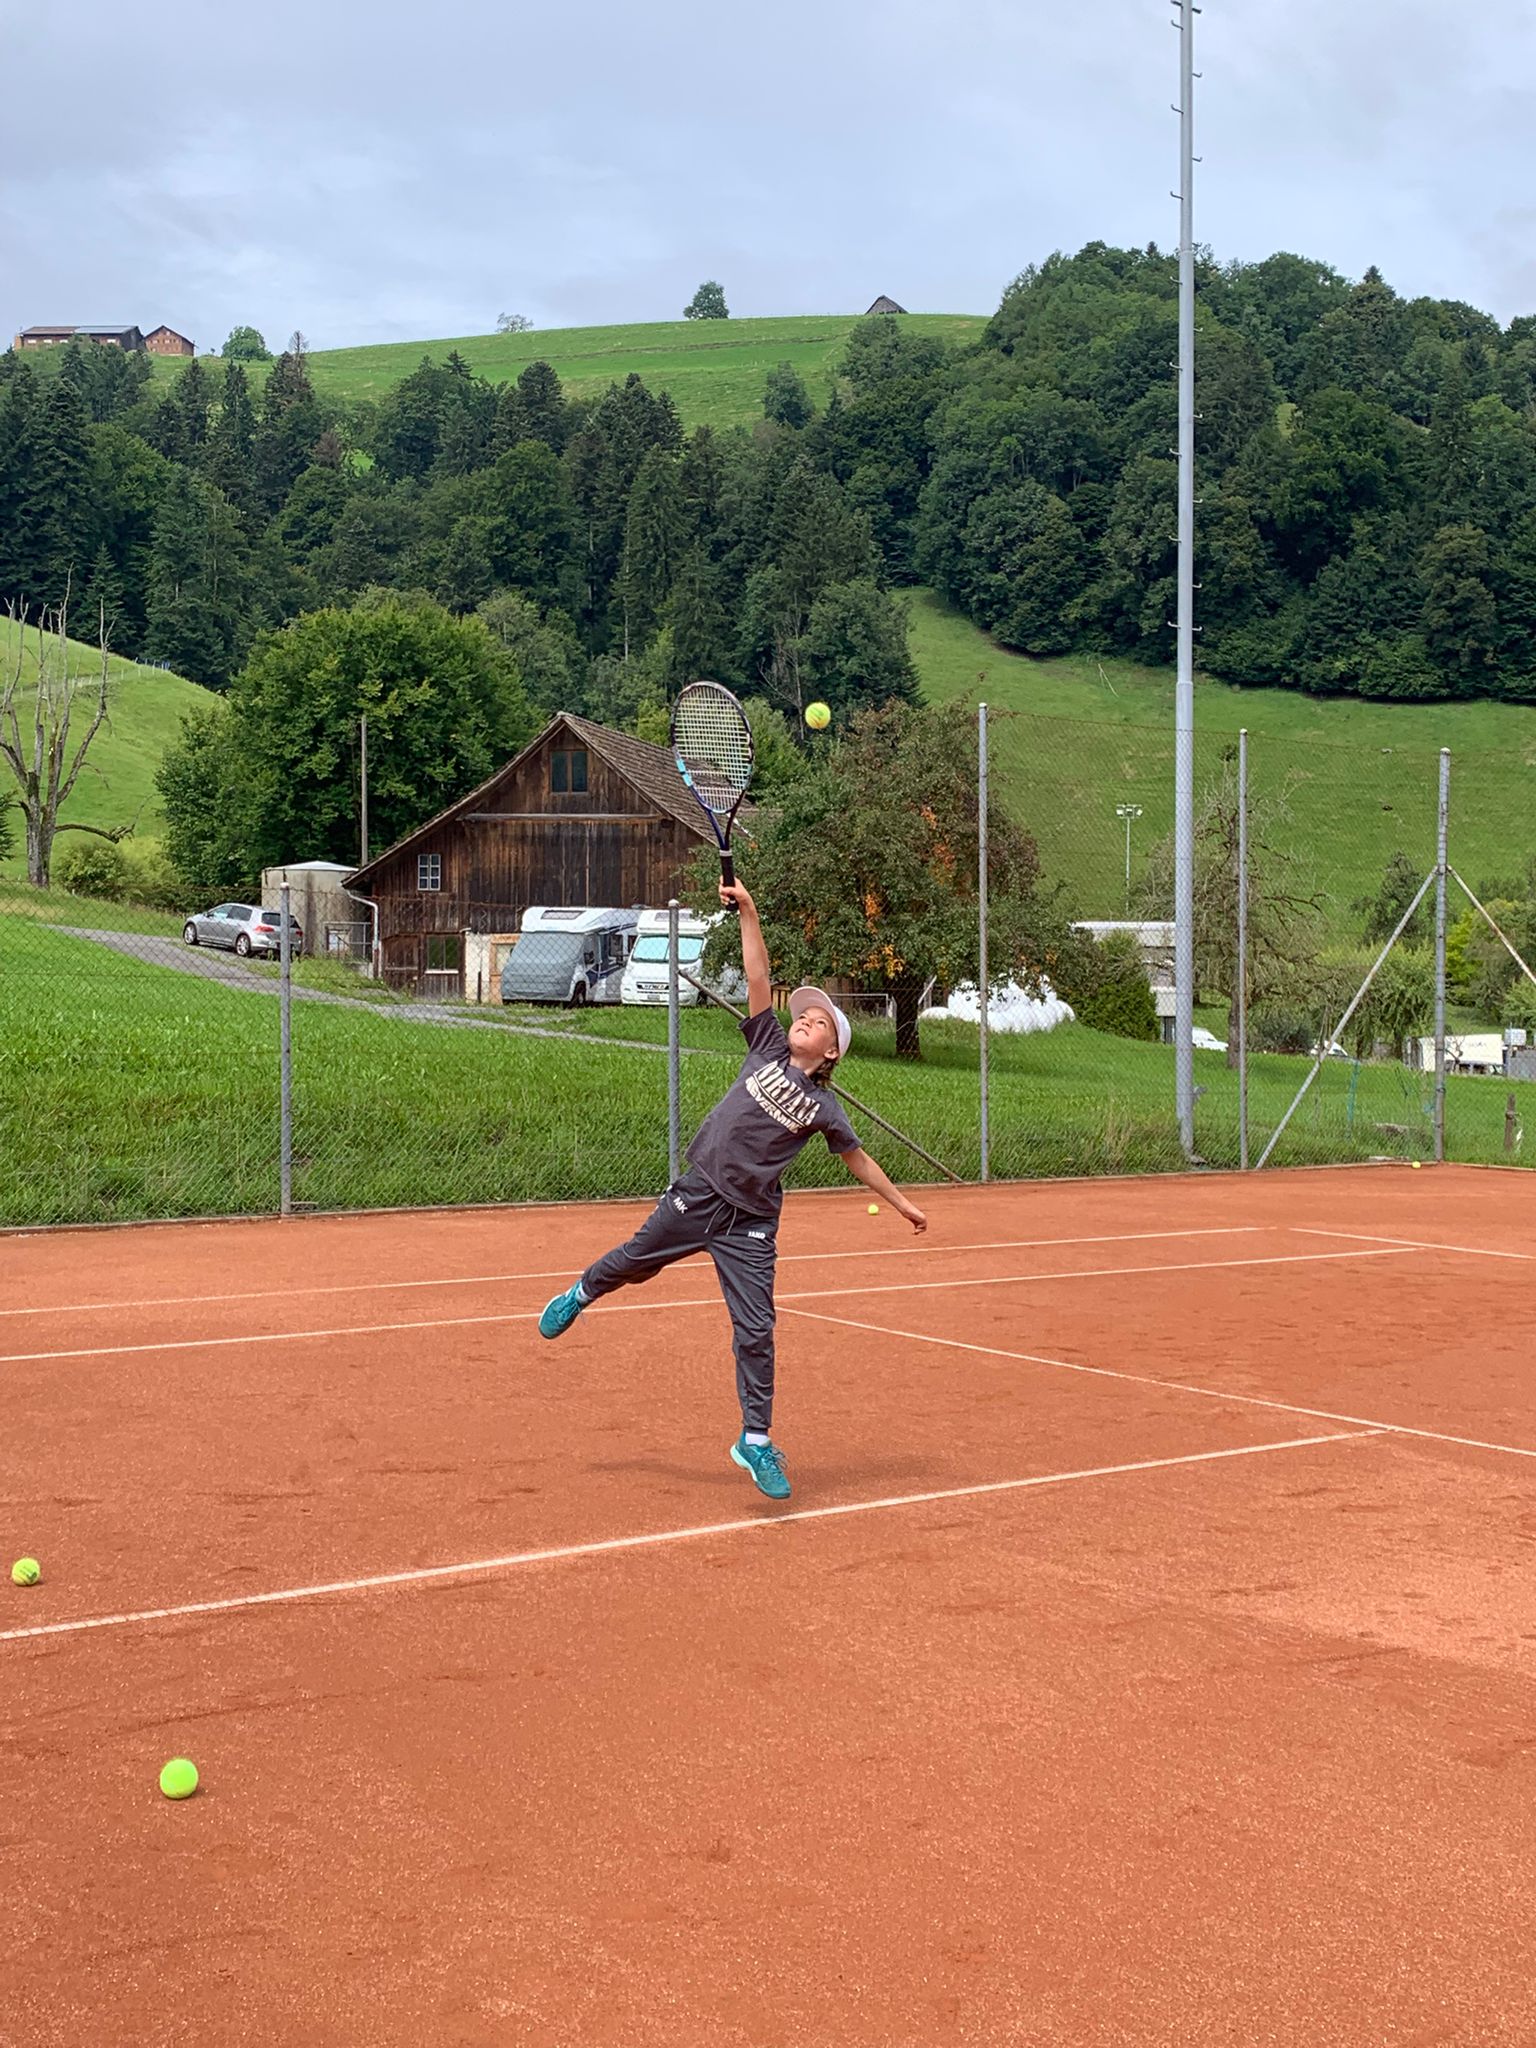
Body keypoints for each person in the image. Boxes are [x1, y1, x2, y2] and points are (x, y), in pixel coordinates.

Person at [538, 879, 927, 1499]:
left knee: (757, 1328)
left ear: (831, 1051)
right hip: (701, 1193)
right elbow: (757, 975)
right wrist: (748, 910)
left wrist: (903, 1205)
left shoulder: (825, 1107)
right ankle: (581, 1292)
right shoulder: (767, 1046)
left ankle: (756, 1441)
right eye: (803, 1014)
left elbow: (857, 1159)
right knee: (635, 1261)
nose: (804, 1019)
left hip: (751, 1223)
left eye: (818, 1022)